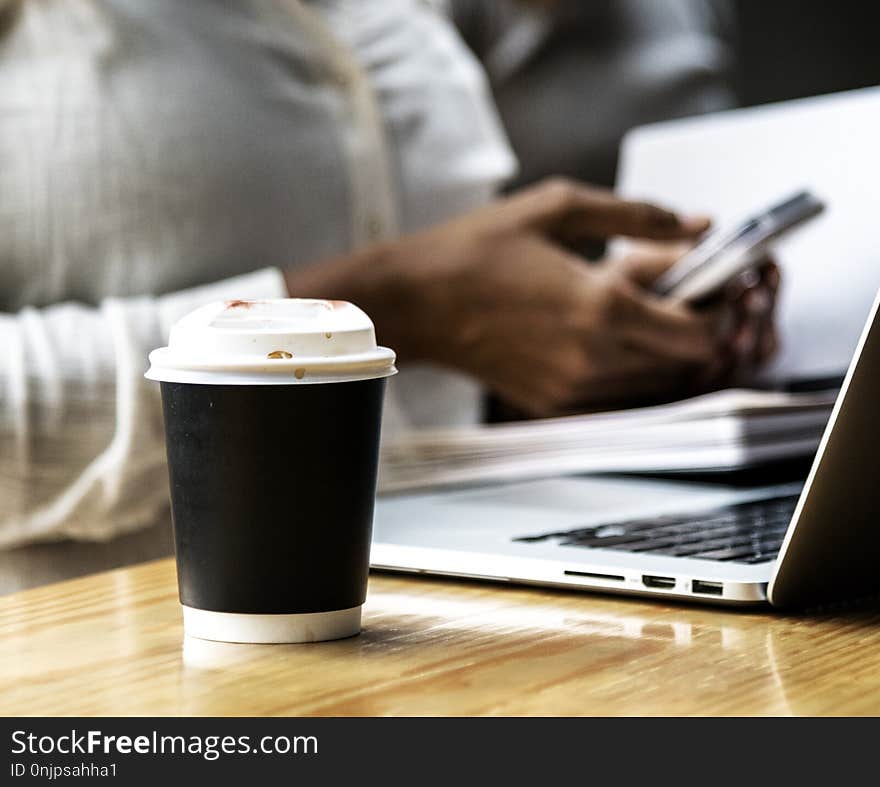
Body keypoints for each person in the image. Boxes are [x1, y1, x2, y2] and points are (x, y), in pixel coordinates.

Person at [0, 0, 777, 592]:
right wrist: (396, 308)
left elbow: (427, 386)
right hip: (114, 672)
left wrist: (586, 347)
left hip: (448, 630)